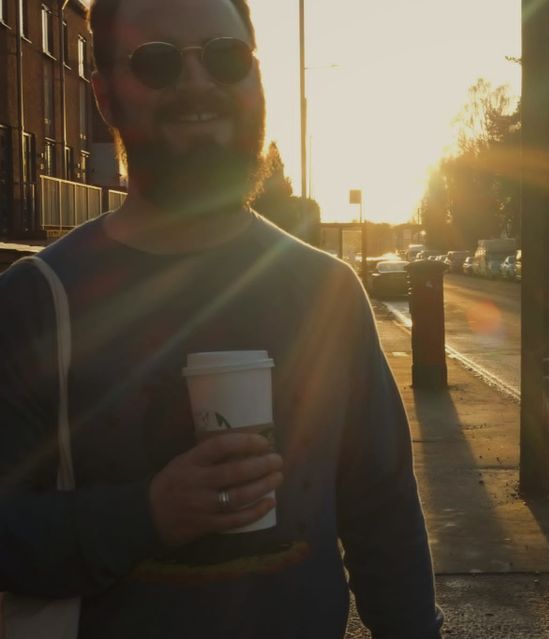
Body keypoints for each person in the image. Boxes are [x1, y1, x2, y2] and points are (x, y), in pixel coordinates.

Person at [0, 0, 442, 637]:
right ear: (105, 96)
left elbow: (384, 517)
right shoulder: (37, 301)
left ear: (256, 78)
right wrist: (148, 515)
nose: (197, 83)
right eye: (157, 63)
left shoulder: (326, 292)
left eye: (225, 58)